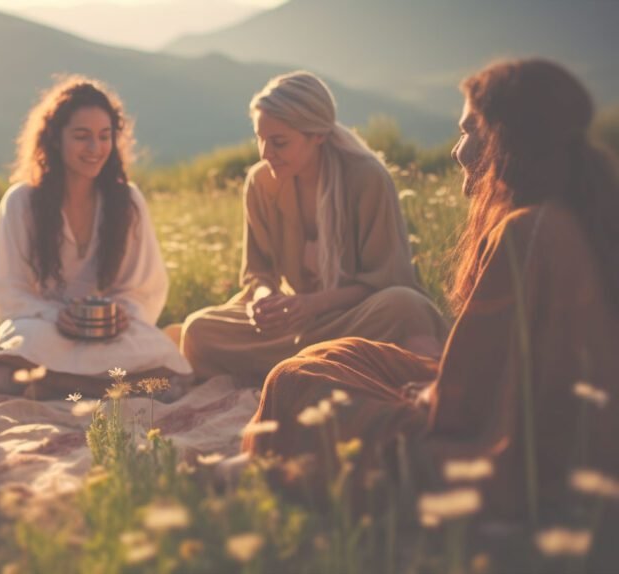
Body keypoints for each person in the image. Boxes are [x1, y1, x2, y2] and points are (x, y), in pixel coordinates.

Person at [243, 59, 619, 523]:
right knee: (340, 357)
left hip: (501, 436)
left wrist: (422, 396)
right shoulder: (562, 216)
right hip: (497, 403)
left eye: (467, 132)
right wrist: (267, 301)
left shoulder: (528, 233)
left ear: (506, 138)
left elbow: (469, 403)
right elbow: (491, 365)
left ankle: (281, 463)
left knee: (296, 380)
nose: (457, 151)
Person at [180, 71, 447, 384]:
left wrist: (313, 304)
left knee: (405, 305)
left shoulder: (367, 177)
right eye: (260, 139)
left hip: (353, 318)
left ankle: (298, 370)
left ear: (318, 135)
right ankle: (318, 367)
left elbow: (388, 278)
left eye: (279, 142)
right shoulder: (260, 182)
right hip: (293, 326)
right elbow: (258, 272)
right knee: (198, 331)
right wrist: (266, 303)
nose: (266, 154)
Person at [0, 76, 192, 398]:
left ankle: (55, 385)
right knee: (13, 350)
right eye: (82, 137)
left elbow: (144, 287)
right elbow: (9, 293)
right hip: (45, 328)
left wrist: (120, 315)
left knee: (164, 360)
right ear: (55, 139)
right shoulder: (21, 201)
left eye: (104, 136)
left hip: (108, 333)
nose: (95, 149)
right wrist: (60, 317)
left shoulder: (127, 200)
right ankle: (104, 387)